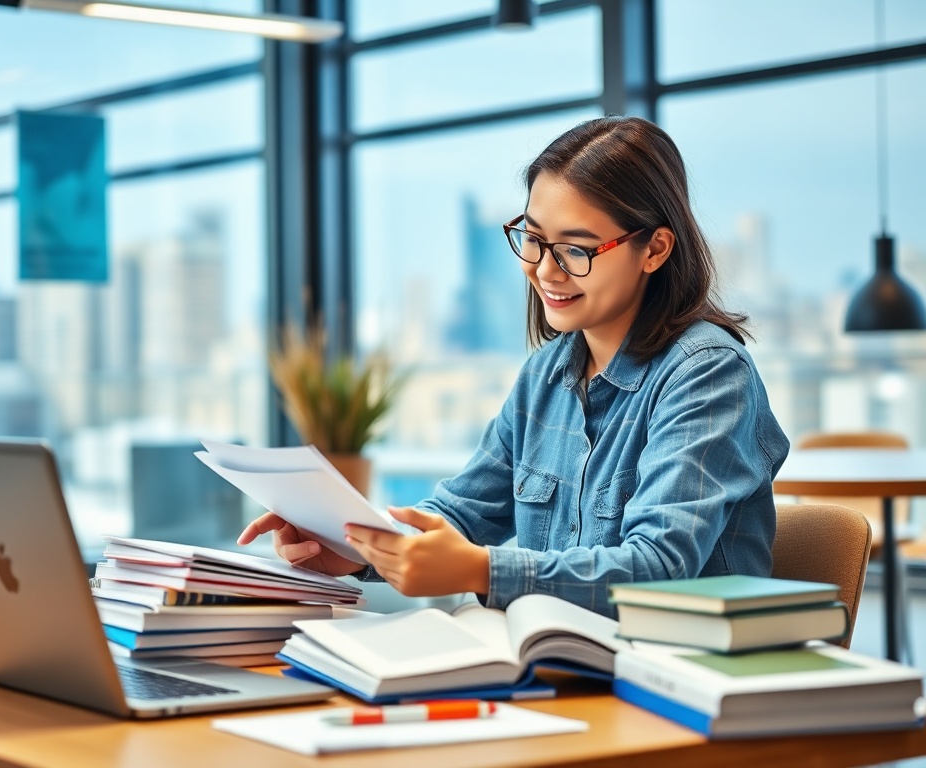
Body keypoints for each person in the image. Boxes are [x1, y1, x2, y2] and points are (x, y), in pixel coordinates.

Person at [239, 115, 790, 618]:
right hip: (564, 669)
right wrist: (353, 547)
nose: (545, 271)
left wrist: (481, 569)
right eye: (533, 239)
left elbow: (660, 569)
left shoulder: (708, 373)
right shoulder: (546, 374)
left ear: (655, 249)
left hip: (676, 680)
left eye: (577, 250)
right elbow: (460, 511)